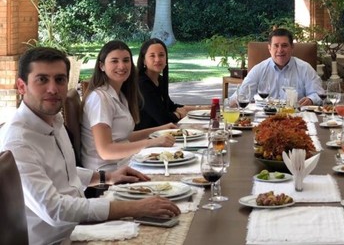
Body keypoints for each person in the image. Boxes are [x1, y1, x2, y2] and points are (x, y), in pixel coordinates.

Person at [0, 47, 180, 245]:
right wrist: (133, 207)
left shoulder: (52, 119)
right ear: (21, 86)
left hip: (79, 228)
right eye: (42, 79)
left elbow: (62, 170)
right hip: (60, 238)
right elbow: (55, 210)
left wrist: (107, 177)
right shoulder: (18, 141)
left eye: (59, 80)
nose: (53, 88)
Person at [81, 40, 177, 171]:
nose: (122, 66)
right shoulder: (100, 99)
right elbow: (106, 151)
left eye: (126, 60)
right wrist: (152, 142)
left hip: (126, 163)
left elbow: (123, 137)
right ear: (101, 66)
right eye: (114, 61)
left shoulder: (119, 95)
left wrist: (161, 130)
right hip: (108, 173)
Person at [230, 28, 324, 106]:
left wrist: (311, 100)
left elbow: (319, 94)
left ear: (292, 47)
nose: (280, 50)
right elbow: (240, 95)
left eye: (284, 45)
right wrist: (231, 104)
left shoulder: (305, 68)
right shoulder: (259, 69)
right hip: (264, 119)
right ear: (269, 48)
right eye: (276, 46)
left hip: (296, 118)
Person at [135, 38, 200, 130]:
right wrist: (178, 114)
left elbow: (171, 106)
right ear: (144, 60)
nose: (157, 59)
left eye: (161, 55)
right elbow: (163, 119)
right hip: (144, 138)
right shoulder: (142, 83)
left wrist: (201, 108)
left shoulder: (160, 80)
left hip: (159, 134)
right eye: (152, 56)